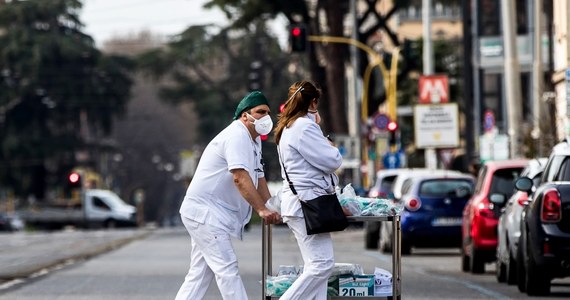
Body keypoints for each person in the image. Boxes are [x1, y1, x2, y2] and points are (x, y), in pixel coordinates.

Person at [175, 91, 281, 300]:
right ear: (245, 115)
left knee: (199, 275)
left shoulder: (254, 140)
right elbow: (240, 178)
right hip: (205, 213)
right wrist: (261, 209)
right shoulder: (236, 135)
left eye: (268, 112)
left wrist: (271, 206)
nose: (265, 117)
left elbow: (258, 177)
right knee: (227, 268)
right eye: (260, 112)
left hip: (208, 213)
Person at [273, 80, 343, 300]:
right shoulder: (303, 127)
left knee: (317, 267)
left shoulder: (289, 126)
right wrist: (329, 143)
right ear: (313, 102)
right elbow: (333, 160)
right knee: (322, 266)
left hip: (301, 203)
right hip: (307, 203)